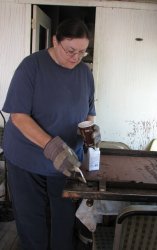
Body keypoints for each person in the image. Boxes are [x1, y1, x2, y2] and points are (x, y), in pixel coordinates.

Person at [2, 19, 101, 250]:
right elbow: (19, 117)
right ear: (55, 41)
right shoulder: (31, 66)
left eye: (82, 52)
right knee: (33, 221)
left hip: (67, 163)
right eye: (71, 50)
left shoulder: (85, 73)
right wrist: (53, 147)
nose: (76, 58)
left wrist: (90, 130)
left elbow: (89, 112)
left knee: (63, 220)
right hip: (28, 160)